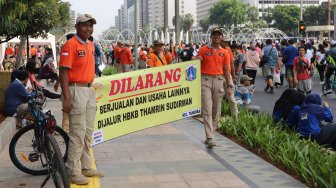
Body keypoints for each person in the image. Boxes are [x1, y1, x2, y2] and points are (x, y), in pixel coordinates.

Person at [59, 14, 104, 185]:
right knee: (77, 133)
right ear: (77, 26)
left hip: (89, 89)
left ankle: (86, 166)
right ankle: (73, 171)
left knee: (87, 132)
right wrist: (67, 98)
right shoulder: (69, 45)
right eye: (85, 25)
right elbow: (63, 72)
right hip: (75, 90)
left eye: (91, 26)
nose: (89, 29)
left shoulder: (91, 45)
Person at [197, 28, 233, 148]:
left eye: (218, 35)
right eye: (214, 35)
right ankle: (210, 136)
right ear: (211, 37)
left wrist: (229, 85)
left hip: (219, 80)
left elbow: (227, 70)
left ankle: (211, 133)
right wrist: (196, 60)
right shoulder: (203, 49)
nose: (216, 37)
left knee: (216, 110)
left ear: (221, 37)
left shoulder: (225, 52)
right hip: (205, 80)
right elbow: (195, 62)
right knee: (207, 108)